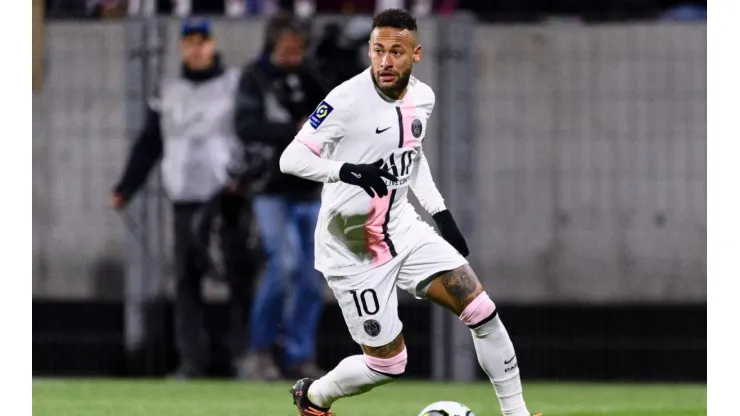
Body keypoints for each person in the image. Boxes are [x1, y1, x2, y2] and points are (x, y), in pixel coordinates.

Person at [278, 9, 541, 416]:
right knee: (388, 363)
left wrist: (441, 214)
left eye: (395, 51)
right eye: (378, 50)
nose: (385, 61)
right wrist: (344, 170)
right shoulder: (345, 100)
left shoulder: (424, 97)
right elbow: (290, 158)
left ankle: (516, 413)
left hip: (402, 227)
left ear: (415, 54)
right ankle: (314, 398)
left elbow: (411, 157)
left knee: (481, 310)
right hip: (353, 243)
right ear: (369, 51)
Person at [111, 17, 256, 379]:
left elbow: (251, 134)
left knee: (238, 275)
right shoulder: (168, 90)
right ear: (182, 47)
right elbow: (149, 144)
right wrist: (126, 188)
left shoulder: (233, 85)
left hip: (226, 197)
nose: (195, 48)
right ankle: (193, 359)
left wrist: (247, 178)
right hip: (184, 197)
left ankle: (244, 355)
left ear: (212, 44)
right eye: (189, 41)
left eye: (201, 41)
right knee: (186, 280)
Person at [233, 14, 327, 380]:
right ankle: (260, 350)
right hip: (271, 190)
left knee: (311, 278)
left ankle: (299, 355)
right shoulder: (254, 78)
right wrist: (295, 130)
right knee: (282, 267)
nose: (293, 56)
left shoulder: (311, 76)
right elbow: (245, 126)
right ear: (273, 46)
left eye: (298, 50)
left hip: (309, 190)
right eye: (287, 50)